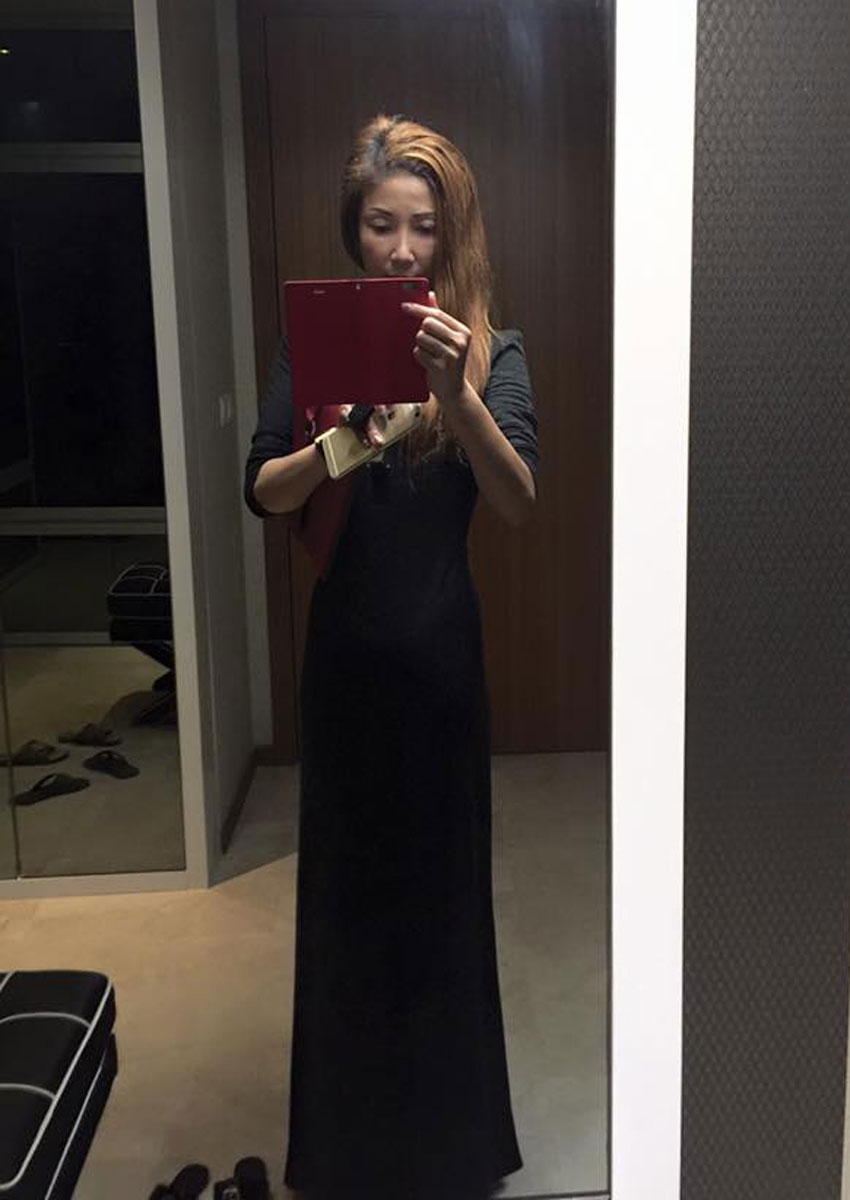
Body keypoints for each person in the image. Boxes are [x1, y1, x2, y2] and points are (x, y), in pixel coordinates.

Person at [243, 113, 538, 1200]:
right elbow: (262, 489)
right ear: (353, 230)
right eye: (381, 225)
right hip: (345, 671)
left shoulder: (491, 348)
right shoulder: (312, 349)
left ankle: (453, 1154)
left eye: (422, 225)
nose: (403, 249)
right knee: (347, 906)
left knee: (443, 904)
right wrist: (348, 438)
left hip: (442, 670)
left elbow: (517, 501)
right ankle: (345, 1154)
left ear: (451, 231)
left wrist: (453, 399)